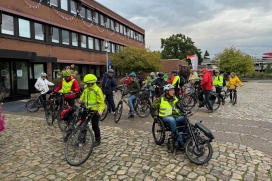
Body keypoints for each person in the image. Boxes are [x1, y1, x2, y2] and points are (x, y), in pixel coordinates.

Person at [152, 84, 187, 148]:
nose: (173, 91)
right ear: (167, 91)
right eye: (171, 90)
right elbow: (152, 108)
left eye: (173, 90)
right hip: (165, 117)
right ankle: (179, 140)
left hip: (175, 116)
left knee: (185, 118)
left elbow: (180, 107)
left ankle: (184, 137)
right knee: (171, 120)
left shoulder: (175, 98)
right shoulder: (161, 99)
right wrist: (155, 117)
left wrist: (183, 112)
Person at [79, 74, 105, 147]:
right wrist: (81, 99)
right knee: (83, 124)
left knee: (95, 126)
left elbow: (102, 102)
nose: (87, 85)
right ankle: (82, 138)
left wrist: (100, 110)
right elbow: (83, 94)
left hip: (95, 111)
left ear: (93, 83)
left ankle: (98, 139)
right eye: (86, 83)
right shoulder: (86, 89)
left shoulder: (97, 90)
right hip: (86, 109)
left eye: (88, 83)